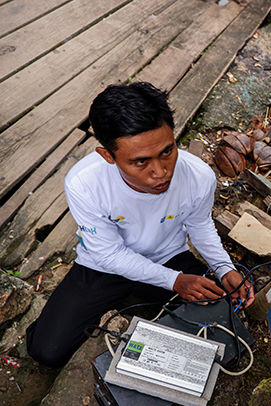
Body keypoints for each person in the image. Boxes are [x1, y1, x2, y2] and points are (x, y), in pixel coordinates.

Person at [27, 82, 254, 368]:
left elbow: (200, 225)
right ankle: (127, 295)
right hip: (103, 267)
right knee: (46, 352)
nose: (160, 172)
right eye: (140, 162)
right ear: (108, 156)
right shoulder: (84, 183)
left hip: (168, 257)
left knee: (223, 327)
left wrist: (224, 268)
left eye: (167, 151)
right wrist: (174, 281)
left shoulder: (198, 176)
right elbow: (108, 254)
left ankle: (139, 295)